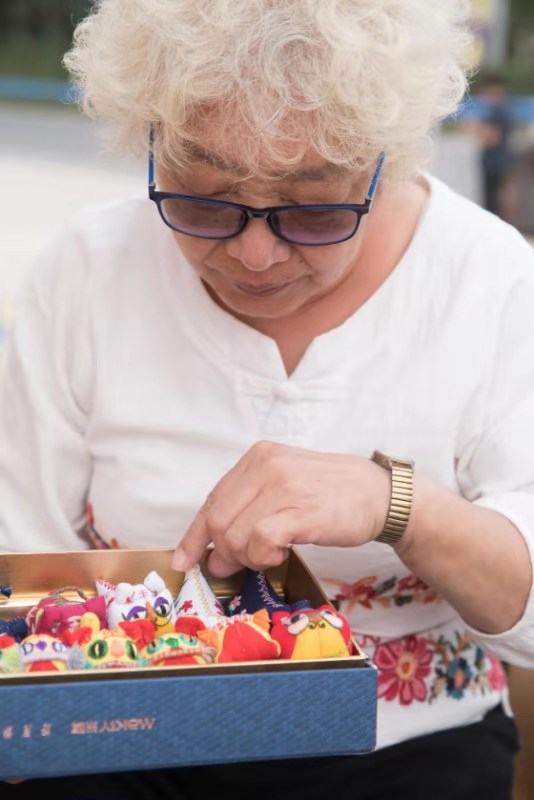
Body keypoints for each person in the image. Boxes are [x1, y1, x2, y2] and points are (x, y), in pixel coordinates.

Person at [1, 0, 533, 797]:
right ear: (148, 143)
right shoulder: (85, 271)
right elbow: (18, 555)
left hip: (407, 753)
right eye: (205, 200)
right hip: (115, 736)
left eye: (313, 208)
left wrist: (398, 505)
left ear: (382, 161)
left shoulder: (488, 281)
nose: (254, 254)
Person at [469, 73, 516, 219]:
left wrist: (477, 130)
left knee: (494, 200)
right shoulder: (501, 110)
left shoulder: (499, 112)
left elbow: (494, 138)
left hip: (495, 163)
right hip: (496, 162)